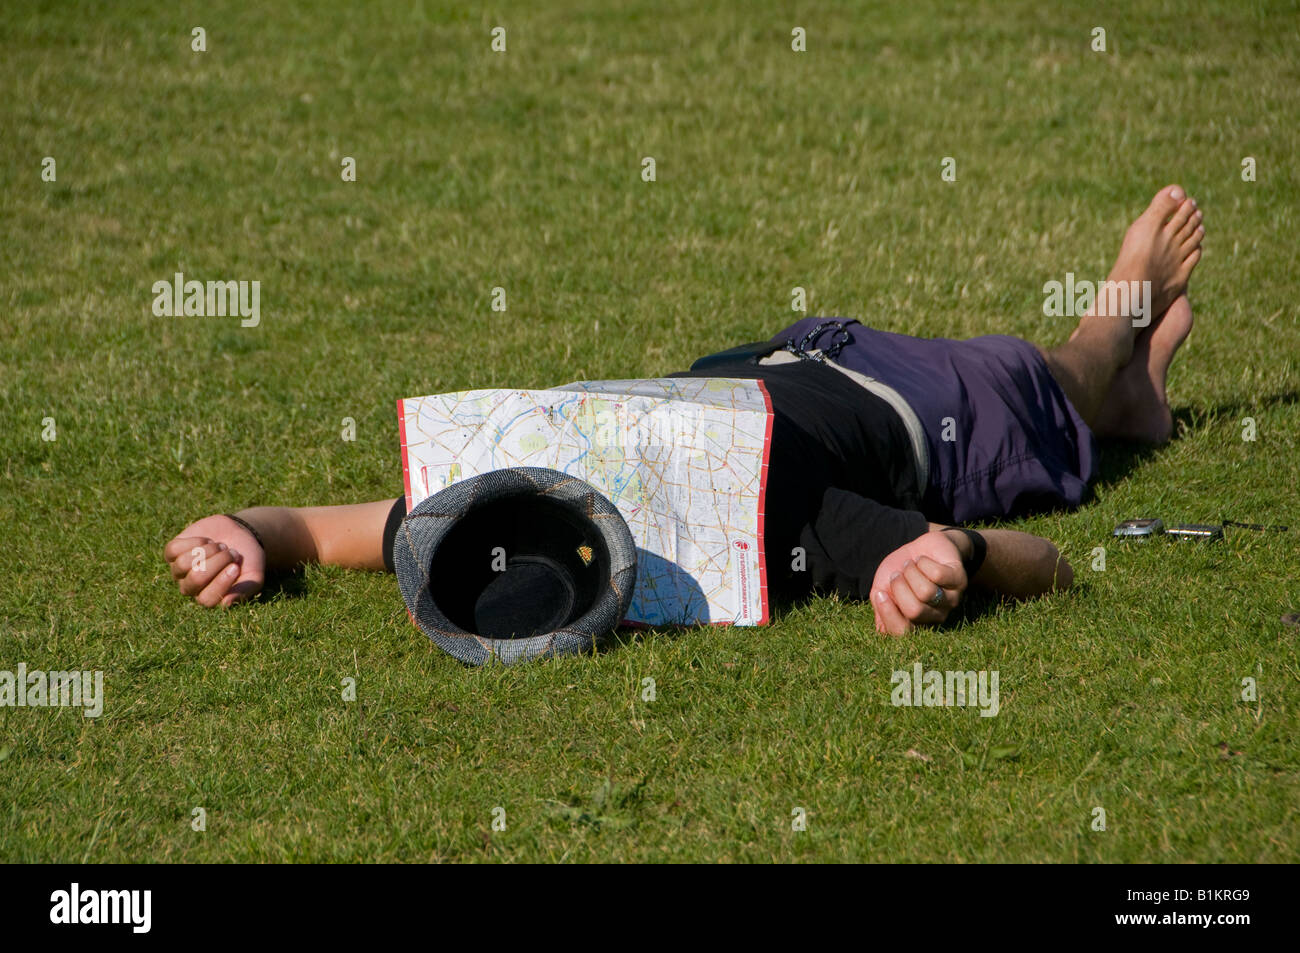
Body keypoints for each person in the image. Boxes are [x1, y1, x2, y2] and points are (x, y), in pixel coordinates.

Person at [163, 186, 1203, 636]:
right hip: (926, 409)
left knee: (1057, 383)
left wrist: (243, 529)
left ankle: (1126, 392)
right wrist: (956, 553)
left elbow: (309, 531)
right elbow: (1050, 564)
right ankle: (1116, 347)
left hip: (780, 353)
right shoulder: (767, 525)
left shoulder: (495, 504)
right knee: (1051, 374)